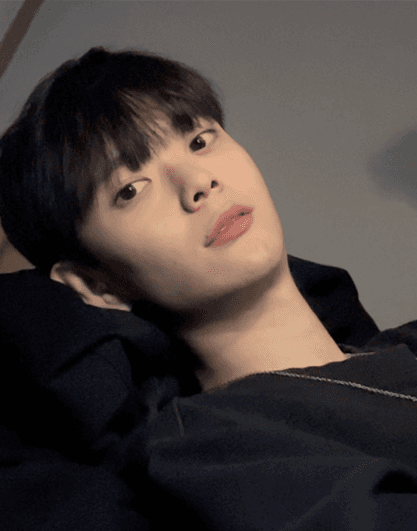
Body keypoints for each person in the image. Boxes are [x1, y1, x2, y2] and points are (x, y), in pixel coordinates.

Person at [0, 46, 416, 530]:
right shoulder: (212, 448)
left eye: (199, 140)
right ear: (96, 284)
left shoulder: (402, 346)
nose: (199, 182)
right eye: (130, 189)